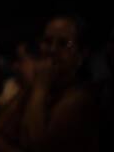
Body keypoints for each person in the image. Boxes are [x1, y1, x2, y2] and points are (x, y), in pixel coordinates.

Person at [16, 14, 100, 152]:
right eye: (47, 41)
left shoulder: (80, 98)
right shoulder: (47, 88)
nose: (52, 50)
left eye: (63, 43)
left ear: (82, 54)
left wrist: (39, 89)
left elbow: (35, 145)